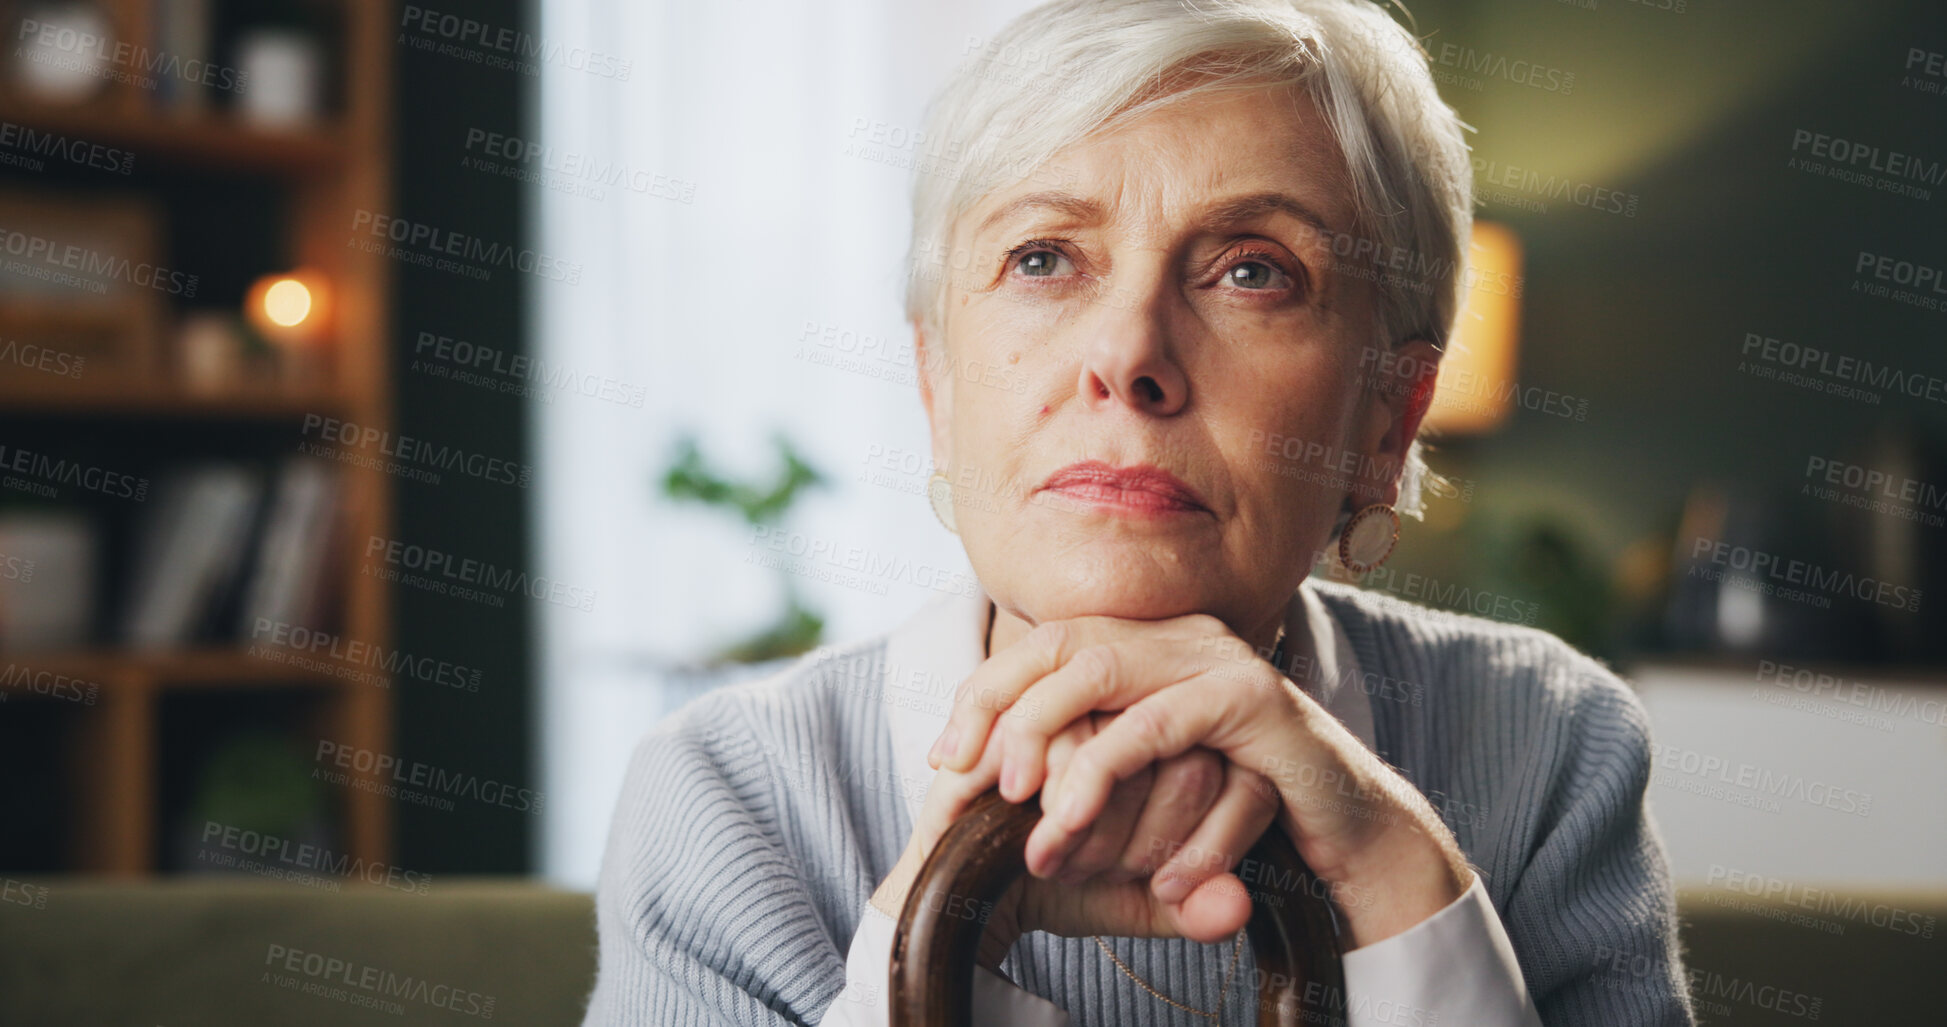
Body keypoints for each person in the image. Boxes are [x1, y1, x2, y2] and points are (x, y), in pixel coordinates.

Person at [581, 1, 1696, 1023]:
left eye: (1253, 272)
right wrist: (936, 925)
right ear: (940, 386)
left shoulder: (1550, 752)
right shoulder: (727, 799)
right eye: (1043, 257)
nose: (1127, 356)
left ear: (1386, 423)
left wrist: (1405, 882)